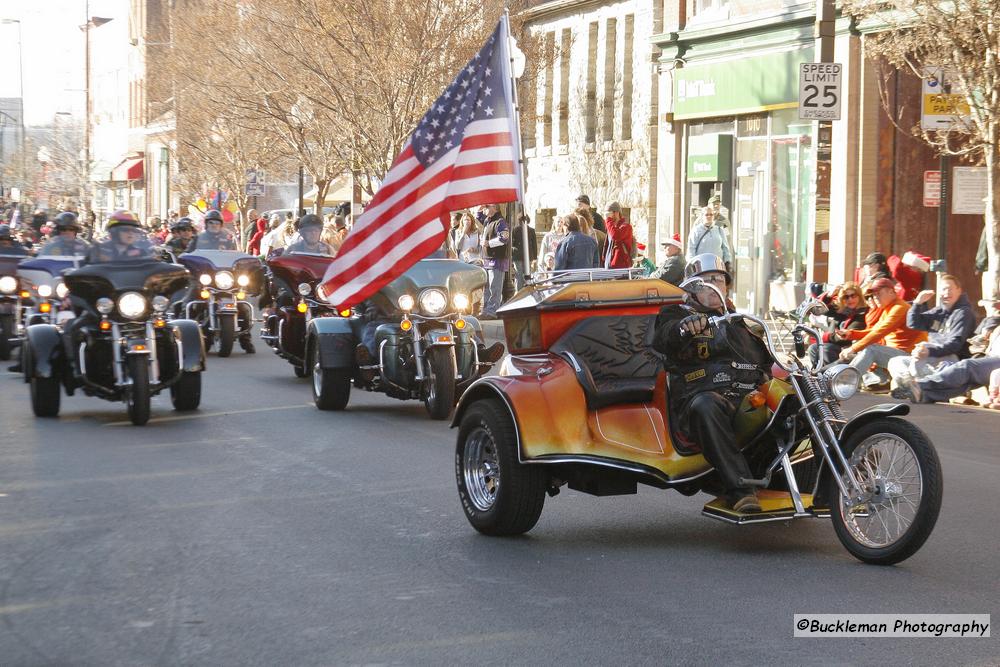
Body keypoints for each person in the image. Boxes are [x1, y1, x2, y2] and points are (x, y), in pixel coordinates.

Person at [653, 253, 773, 513]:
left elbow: (768, 363)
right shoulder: (675, 314)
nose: (713, 285)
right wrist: (684, 328)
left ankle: (839, 469)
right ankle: (740, 491)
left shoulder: (741, 322)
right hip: (700, 400)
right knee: (706, 405)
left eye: (718, 279)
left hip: (746, 399)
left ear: (727, 285)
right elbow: (664, 338)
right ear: (692, 289)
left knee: (799, 393)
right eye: (704, 281)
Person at [888, 274, 976, 397]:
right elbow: (914, 323)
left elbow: (955, 344)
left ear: (959, 291)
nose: (946, 293)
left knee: (921, 357)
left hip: (952, 360)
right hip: (930, 359)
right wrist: (918, 303)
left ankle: (917, 386)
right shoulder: (939, 311)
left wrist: (928, 351)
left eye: (949, 289)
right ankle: (912, 386)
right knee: (896, 362)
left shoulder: (964, 313)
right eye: (943, 290)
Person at [838, 277, 927, 389]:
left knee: (871, 349)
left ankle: (844, 383)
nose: (875, 297)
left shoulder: (900, 307)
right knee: (865, 346)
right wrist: (851, 334)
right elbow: (875, 330)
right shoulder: (888, 308)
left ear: (891, 291)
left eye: (878, 293)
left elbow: (879, 333)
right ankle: (880, 381)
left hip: (911, 357)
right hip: (897, 355)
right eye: (873, 295)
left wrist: (852, 349)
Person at [899, 325, 1000, 404]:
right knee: (966, 382)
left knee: (968, 367)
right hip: (991, 357)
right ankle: (923, 395)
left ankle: (921, 384)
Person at [808, 281, 869, 367]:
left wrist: (825, 337)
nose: (850, 299)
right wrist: (829, 295)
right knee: (813, 348)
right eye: (846, 297)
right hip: (835, 346)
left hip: (851, 348)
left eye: (853, 296)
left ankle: (834, 376)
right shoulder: (841, 310)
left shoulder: (863, 312)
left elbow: (846, 336)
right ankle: (819, 375)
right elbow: (816, 310)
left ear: (859, 296)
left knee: (826, 349)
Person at [85, 210, 151, 264]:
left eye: (133, 230)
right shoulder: (99, 250)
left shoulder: (140, 252)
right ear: (114, 232)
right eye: (125, 229)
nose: (130, 233)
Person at [479, 203, 509, 318]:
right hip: (487, 258)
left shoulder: (500, 221)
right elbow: (479, 217)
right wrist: (480, 208)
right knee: (487, 288)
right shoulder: (488, 221)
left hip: (497, 259)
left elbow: (504, 238)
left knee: (494, 287)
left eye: (487, 206)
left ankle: (492, 311)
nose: (484, 209)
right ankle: (486, 310)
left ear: (494, 208)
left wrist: (489, 243)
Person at [686, 206, 732, 273]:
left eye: (711, 214)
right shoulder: (696, 230)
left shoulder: (719, 229)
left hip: (717, 266)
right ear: (702, 216)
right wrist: (693, 265)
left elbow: (725, 248)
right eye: (706, 215)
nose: (709, 216)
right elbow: (691, 249)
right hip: (702, 267)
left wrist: (727, 262)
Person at [603, 202, 635, 269]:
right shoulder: (611, 227)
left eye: (609, 213)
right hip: (609, 266)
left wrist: (608, 220)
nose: (607, 216)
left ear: (616, 213)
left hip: (621, 267)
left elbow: (616, 235)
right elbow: (607, 246)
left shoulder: (626, 227)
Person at [511, 213, 537, 287]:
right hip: (519, 255)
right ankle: (521, 291)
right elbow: (512, 243)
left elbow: (534, 244)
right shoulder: (516, 229)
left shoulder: (530, 230)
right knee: (521, 275)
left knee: (523, 274)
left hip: (526, 255)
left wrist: (534, 257)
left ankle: (523, 291)